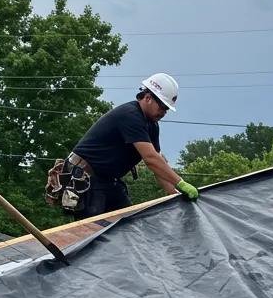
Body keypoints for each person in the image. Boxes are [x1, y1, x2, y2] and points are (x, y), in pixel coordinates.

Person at [63, 73, 199, 220]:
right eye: (162, 106)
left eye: (167, 109)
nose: (164, 112)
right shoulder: (130, 115)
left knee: (129, 227)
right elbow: (150, 159)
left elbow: (159, 164)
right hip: (88, 178)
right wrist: (181, 183)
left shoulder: (152, 125)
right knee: (93, 233)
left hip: (109, 181)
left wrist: (176, 195)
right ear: (148, 98)